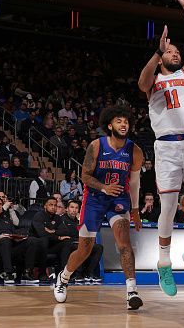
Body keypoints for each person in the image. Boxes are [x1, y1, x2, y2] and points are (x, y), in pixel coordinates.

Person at [138, 0, 184, 297]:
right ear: (162, 56)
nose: (175, 53)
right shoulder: (154, 81)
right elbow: (142, 82)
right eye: (170, 52)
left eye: (176, 51)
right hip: (166, 147)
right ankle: (163, 263)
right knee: (167, 208)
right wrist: (156, 51)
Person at [53, 106, 143, 310]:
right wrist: (104, 187)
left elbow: (135, 183)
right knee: (85, 248)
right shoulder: (96, 145)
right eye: (119, 121)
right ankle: (64, 276)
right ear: (110, 125)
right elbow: (85, 176)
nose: (124, 124)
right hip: (94, 198)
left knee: (124, 244)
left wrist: (135, 210)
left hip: (118, 199)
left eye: (126, 121)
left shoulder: (134, 150)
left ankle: (131, 291)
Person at [0, 196, 45, 284]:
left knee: (32, 240)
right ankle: (8, 273)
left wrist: (20, 238)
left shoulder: (7, 220)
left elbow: (13, 234)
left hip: (10, 245)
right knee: (5, 239)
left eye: (0, 204)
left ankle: (27, 273)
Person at [57, 200, 103, 282]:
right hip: (68, 244)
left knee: (98, 247)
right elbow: (66, 232)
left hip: (79, 241)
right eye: (72, 207)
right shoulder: (61, 219)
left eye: (76, 208)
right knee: (78, 247)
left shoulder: (80, 220)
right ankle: (77, 274)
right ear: (67, 209)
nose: (74, 210)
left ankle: (89, 273)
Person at [30, 197, 74, 276]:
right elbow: (41, 234)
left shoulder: (57, 218)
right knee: (44, 240)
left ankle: (63, 274)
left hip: (52, 245)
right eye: (51, 205)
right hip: (38, 246)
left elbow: (65, 231)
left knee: (67, 241)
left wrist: (53, 231)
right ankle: (42, 274)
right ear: (45, 205)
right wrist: (58, 237)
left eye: (55, 205)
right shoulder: (39, 216)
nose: (53, 207)